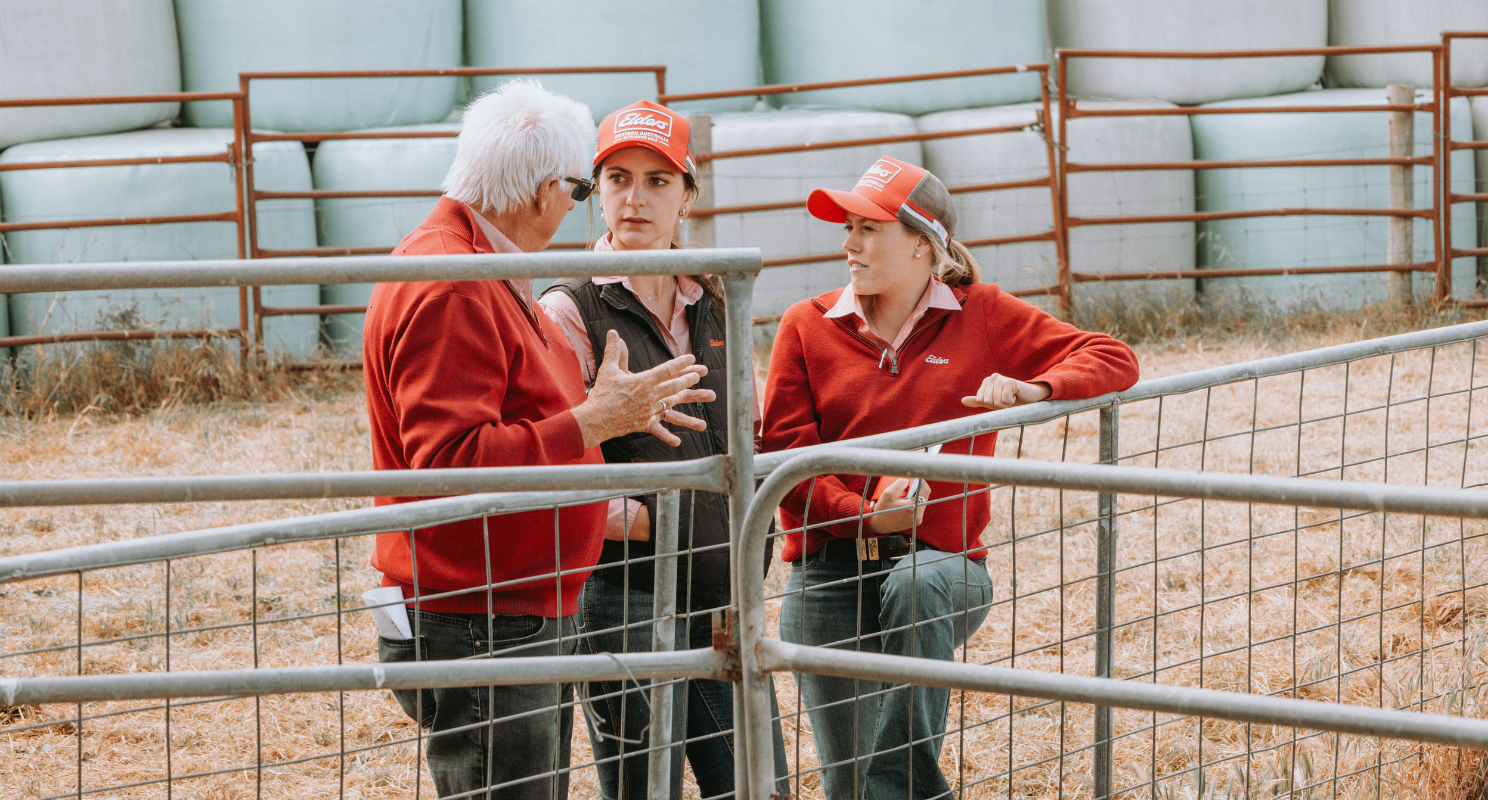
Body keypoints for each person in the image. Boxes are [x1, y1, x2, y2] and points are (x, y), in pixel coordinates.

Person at [363, 80, 715, 800]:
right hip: (483, 615)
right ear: (542, 190)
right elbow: (452, 463)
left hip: (508, 607)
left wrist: (604, 417)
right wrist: (593, 424)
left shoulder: (478, 265)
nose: (575, 207)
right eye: (585, 190)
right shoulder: (455, 283)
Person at [761, 156, 1140, 800]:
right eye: (847, 227)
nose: (848, 245)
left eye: (867, 229)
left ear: (922, 244)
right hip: (828, 570)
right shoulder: (806, 325)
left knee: (915, 591)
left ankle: (904, 784)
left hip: (944, 562)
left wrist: (1035, 387)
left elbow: (1113, 357)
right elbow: (787, 456)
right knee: (846, 784)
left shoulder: (983, 315)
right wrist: (862, 513)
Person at [539, 100, 789, 800]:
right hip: (625, 592)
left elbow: (751, 432)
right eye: (617, 178)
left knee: (755, 784)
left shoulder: (716, 296)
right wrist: (656, 517)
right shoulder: (569, 309)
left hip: (721, 594)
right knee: (646, 789)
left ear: (689, 194)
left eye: (657, 180)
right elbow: (560, 463)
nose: (635, 198)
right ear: (596, 191)